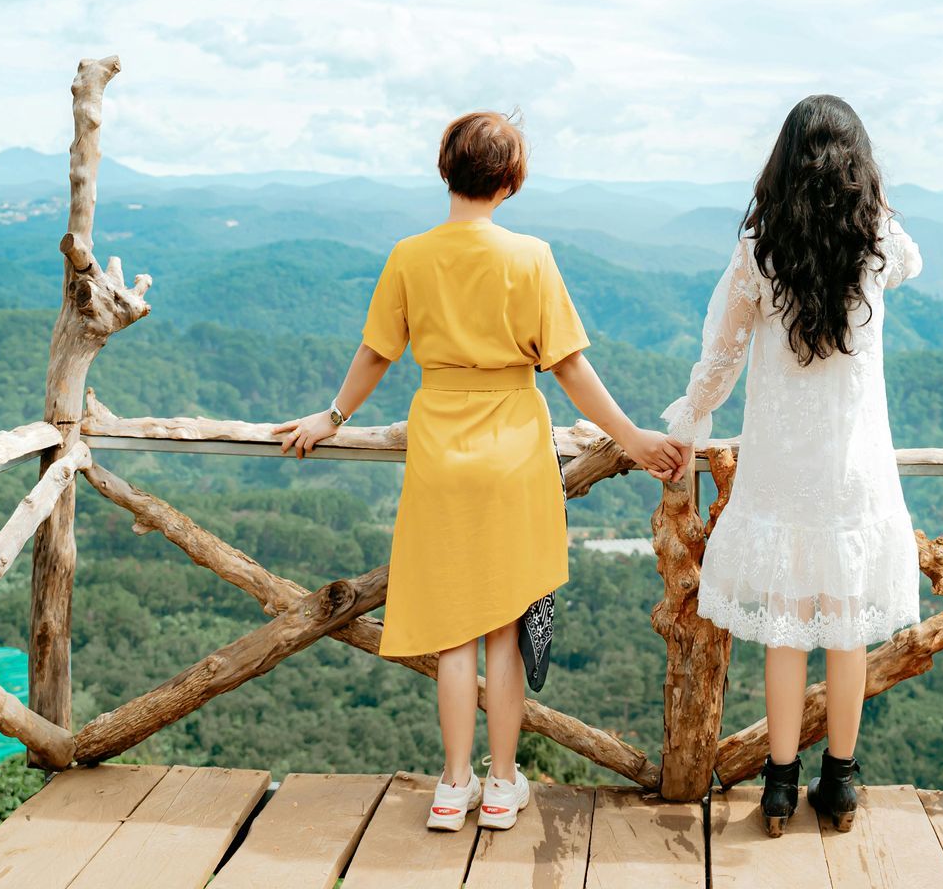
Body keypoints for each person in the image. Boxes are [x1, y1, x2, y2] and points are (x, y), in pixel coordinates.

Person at [274, 111, 690, 834]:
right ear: (510, 178)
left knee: (452, 630)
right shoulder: (531, 257)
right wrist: (633, 438)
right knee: (503, 624)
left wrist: (331, 418)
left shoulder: (410, 254)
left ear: (447, 169)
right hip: (512, 446)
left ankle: (451, 785)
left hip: (440, 444)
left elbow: (376, 352)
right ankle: (502, 787)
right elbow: (568, 367)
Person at [662, 94, 922, 835]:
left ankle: (780, 784)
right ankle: (839, 783)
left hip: (781, 467)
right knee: (845, 628)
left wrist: (689, 422)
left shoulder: (760, 251)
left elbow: (721, 357)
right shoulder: (875, 244)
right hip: (854, 468)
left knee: (785, 629)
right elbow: (913, 257)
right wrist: (873, 198)